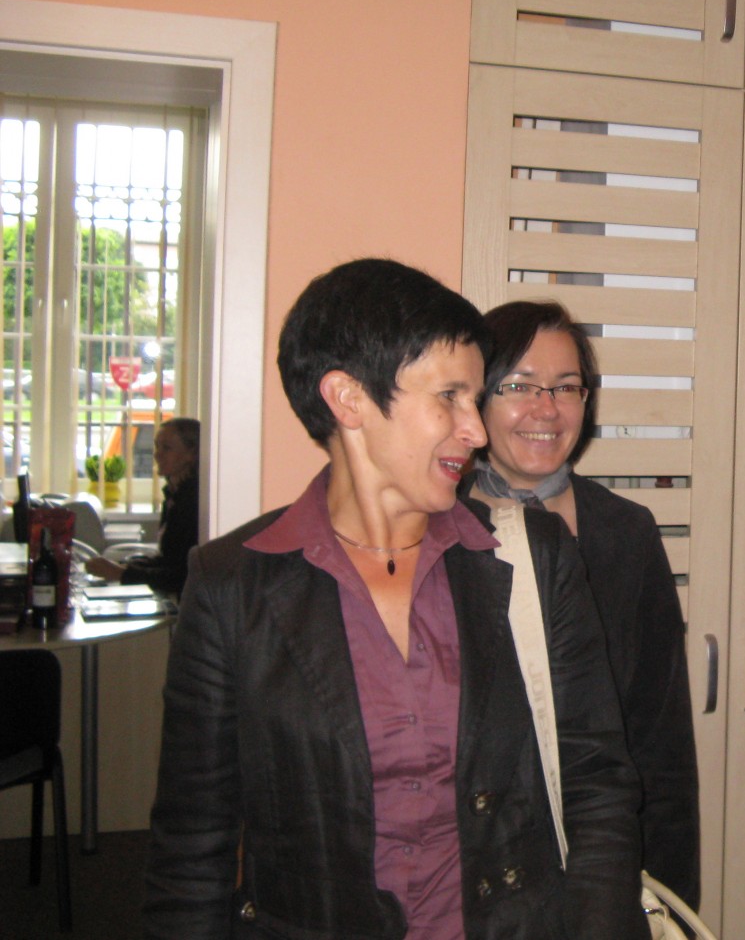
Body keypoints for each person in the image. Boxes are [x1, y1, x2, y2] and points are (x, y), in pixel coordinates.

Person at [144, 259, 647, 939]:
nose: (475, 430)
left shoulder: (531, 556)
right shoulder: (232, 585)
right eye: (450, 396)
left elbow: (599, 786)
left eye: (475, 398)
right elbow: (191, 849)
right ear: (348, 399)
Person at [461, 299, 701, 907]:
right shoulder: (438, 530)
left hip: (599, 854)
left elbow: (661, 736)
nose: (546, 409)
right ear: (478, 398)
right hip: (474, 863)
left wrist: (670, 890)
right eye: (519, 386)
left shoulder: (627, 532)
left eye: (566, 387)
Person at [84, 417, 200, 597]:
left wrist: (121, 573)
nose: (157, 454)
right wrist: (128, 566)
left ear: (191, 454)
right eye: (157, 446)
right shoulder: (174, 494)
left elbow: (182, 576)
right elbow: (168, 560)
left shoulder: (194, 503)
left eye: (166, 448)